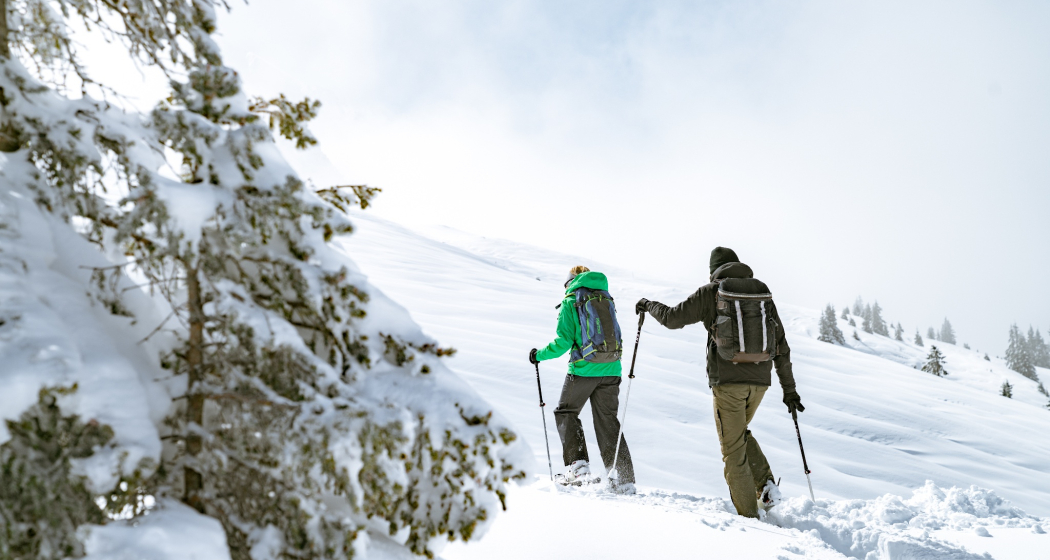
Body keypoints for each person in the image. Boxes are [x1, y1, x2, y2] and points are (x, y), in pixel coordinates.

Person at [635, 247, 803, 518]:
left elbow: (671, 319)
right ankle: (766, 486)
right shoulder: (761, 295)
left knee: (732, 451)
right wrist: (790, 391)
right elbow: (781, 346)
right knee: (738, 434)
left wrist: (647, 304)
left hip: (728, 383)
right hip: (760, 382)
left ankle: (749, 519)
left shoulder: (711, 292)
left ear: (714, 269)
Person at [530, 265, 635, 492]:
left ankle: (579, 469)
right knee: (607, 421)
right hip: (612, 368)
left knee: (566, 412)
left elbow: (563, 342)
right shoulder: (606, 298)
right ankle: (624, 479)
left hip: (583, 370)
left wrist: (538, 355)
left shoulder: (571, 301)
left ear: (570, 282)